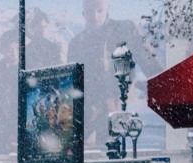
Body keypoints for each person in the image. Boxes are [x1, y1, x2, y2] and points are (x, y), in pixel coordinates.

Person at [67, 0, 161, 146]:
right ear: (84, 13)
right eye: (90, 12)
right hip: (90, 108)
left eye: (99, 11)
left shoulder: (123, 29)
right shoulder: (76, 43)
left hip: (118, 103)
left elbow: (145, 59)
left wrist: (164, 81)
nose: (95, 16)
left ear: (107, 9)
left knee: (112, 151)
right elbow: (73, 83)